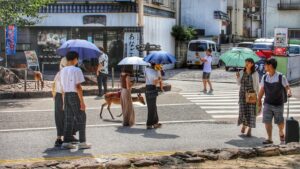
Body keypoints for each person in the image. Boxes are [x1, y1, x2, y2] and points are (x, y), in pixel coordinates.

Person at [60, 51, 91, 149]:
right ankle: (82, 142)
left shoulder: (62, 70)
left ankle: (66, 142)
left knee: (68, 119)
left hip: (67, 95)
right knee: (81, 117)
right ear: (75, 59)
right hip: (74, 95)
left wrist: (64, 101)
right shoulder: (77, 70)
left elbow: (62, 87)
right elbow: (78, 86)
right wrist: (82, 101)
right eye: (77, 59)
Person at [258, 58, 292, 145]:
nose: (264, 66)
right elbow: (262, 90)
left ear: (270, 66)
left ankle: (281, 133)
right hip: (268, 103)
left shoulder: (281, 77)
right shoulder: (264, 77)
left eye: (265, 64)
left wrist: (289, 92)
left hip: (278, 104)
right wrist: (259, 101)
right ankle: (269, 138)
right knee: (267, 121)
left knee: (280, 122)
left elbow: (287, 87)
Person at [52, 58, 78, 147]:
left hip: (57, 97)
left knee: (59, 117)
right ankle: (68, 137)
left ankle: (59, 138)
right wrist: (64, 103)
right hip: (63, 97)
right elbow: (64, 90)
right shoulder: (65, 74)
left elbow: (54, 86)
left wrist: (54, 98)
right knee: (70, 117)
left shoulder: (58, 73)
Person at [236, 58, 260, 137]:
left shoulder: (255, 73)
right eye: (246, 62)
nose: (246, 63)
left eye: (248, 62)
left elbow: (257, 85)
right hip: (242, 95)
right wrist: (237, 77)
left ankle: (249, 129)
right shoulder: (242, 72)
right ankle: (244, 125)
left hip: (251, 95)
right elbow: (239, 83)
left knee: (251, 113)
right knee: (242, 111)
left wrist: (258, 97)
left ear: (252, 64)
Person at [145, 63, 164, 129]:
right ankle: (149, 124)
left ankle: (155, 123)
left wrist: (158, 71)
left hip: (147, 87)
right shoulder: (155, 72)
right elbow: (155, 83)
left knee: (153, 107)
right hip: (152, 88)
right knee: (152, 108)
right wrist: (160, 78)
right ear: (155, 65)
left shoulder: (146, 69)